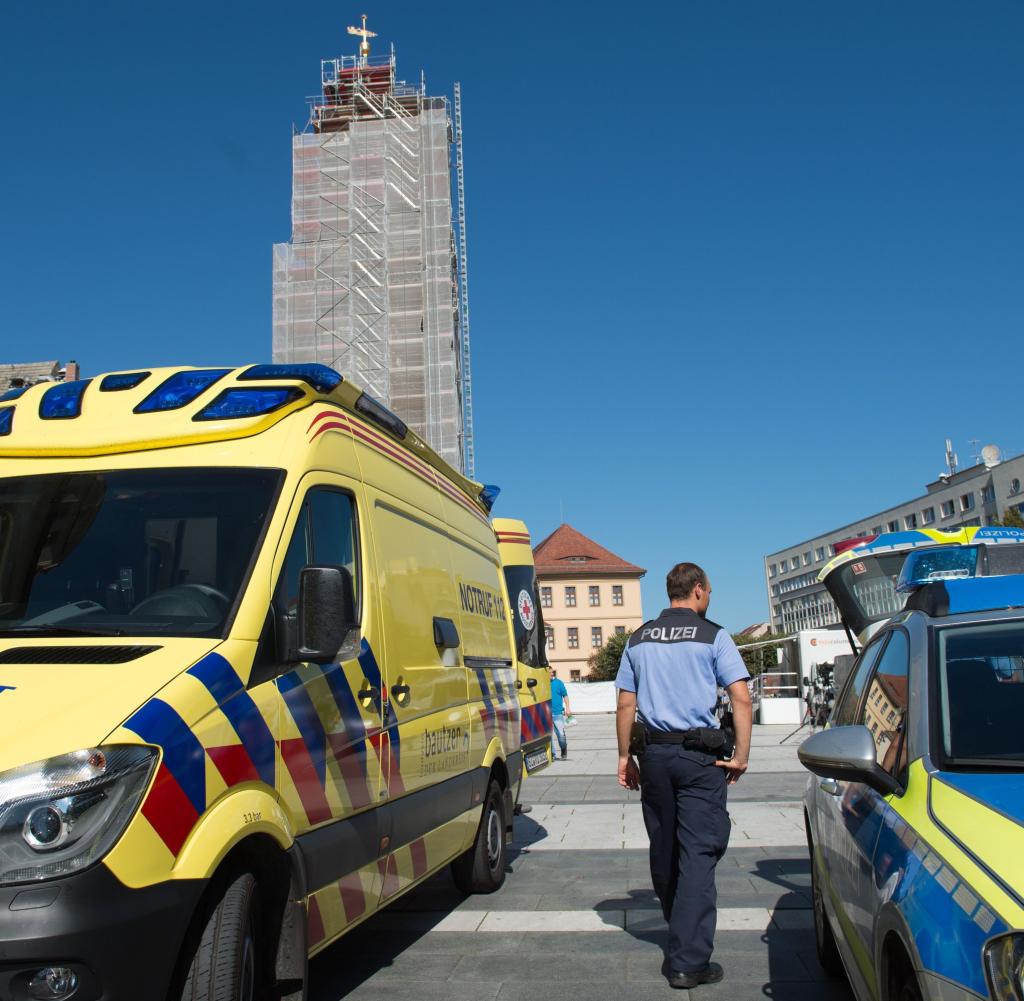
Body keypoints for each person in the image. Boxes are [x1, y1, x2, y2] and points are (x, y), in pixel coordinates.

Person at [615, 563, 752, 990]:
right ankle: (689, 962)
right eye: (707, 591)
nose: (708, 597)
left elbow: (624, 705)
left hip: (654, 754)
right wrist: (742, 755)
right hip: (699, 759)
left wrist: (624, 756)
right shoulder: (714, 635)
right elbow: (741, 699)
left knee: (664, 845)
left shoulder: (638, 639)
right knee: (698, 851)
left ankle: (680, 925)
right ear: (696, 590)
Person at [549, 667, 571, 759]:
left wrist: (568, 708)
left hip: (557, 713)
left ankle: (563, 749)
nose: (551, 674)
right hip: (546, 714)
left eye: (552, 672)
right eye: (549, 672)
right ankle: (552, 754)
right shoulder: (542, 684)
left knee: (561, 735)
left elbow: (565, 696)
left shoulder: (558, 683)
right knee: (548, 736)